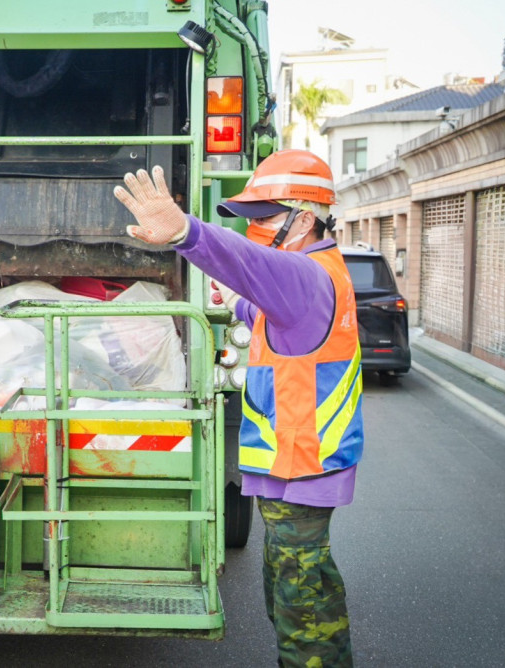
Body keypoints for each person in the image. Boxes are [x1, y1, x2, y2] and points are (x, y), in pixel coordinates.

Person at [114, 149, 362, 667]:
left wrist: (188, 233)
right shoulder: (317, 273)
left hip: (301, 466)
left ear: (306, 217)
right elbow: (267, 304)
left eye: (264, 216)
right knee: (293, 594)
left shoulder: (305, 275)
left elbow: (252, 265)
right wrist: (238, 302)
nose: (254, 228)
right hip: (298, 465)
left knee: (305, 613)